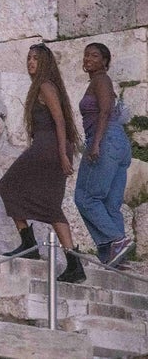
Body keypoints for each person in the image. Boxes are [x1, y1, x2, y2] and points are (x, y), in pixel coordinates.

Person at [0, 43, 85, 283]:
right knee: (48, 204)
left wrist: (63, 155)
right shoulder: (39, 87)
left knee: (8, 186)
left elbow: (60, 121)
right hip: (45, 147)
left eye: (35, 58)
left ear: (45, 62)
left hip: (50, 148)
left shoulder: (45, 86)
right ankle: (71, 263)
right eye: (28, 58)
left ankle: (30, 245)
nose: (30, 62)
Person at [74, 43, 134, 267]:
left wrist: (96, 143)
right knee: (110, 204)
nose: (88, 58)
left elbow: (106, 111)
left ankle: (116, 240)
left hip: (105, 139)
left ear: (105, 62)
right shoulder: (100, 81)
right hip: (118, 142)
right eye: (86, 54)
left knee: (85, 198)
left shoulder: (100, 79)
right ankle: (115, 256)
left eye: (95, 55)